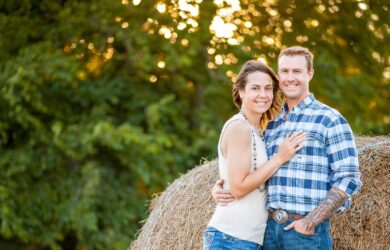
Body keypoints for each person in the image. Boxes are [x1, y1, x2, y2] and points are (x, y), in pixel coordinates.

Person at [212, 46, 362, 250]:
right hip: (268, 232)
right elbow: (252, 169)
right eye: (285, 71)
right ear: (279, 76)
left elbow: (349, 177)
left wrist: (310, 222)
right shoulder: (272, 125)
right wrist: (221, 186)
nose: (290, 78)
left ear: (309, 73)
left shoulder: (329, 119)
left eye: (297, 71)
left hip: (305, 234)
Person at [204, 60, 306, 250]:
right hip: (231, 238)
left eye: (268, 89)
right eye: (255, 88)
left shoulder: (257, 131)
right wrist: (279, 158)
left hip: (246, 238)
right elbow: (238, 188)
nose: (263, 95)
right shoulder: (239, 128)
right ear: (242, 91)